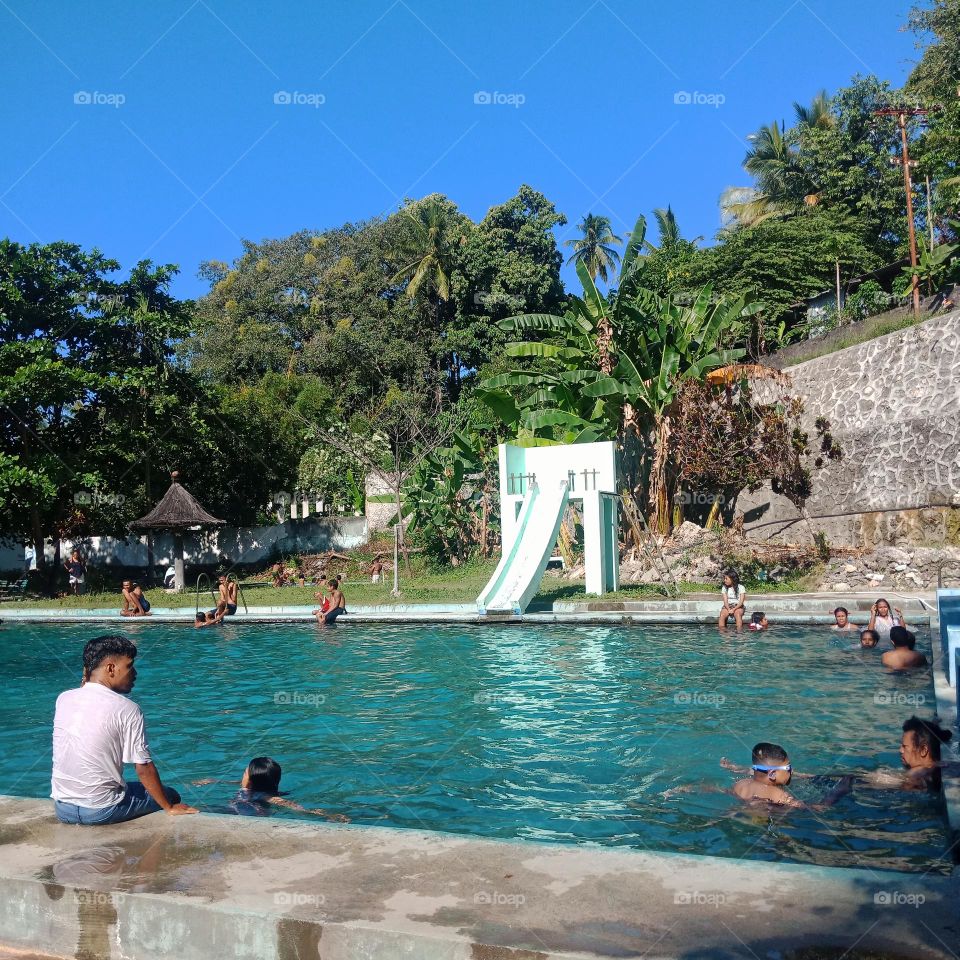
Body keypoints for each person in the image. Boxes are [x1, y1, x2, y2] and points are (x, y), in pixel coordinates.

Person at [51, 634, 196, 824]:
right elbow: (143, 767)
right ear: (111, 668)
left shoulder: (64, 698)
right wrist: (168, 807)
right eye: (129, 666)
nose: (135, 673)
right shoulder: (128, 709)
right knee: (170, 793)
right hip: (101, 810)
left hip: (63, 809)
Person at [193, 757, 348, 821]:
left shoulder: (264, 796)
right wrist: (212, 780)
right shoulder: (249, 786)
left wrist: (327, 814)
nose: (242, 774)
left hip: (246, 814)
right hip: (237, 809)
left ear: (251, 781)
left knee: (199, 811)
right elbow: (235, 783)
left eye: (245, 772)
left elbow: (292, 806)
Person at [730, 742, 851, 809]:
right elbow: (817, 808)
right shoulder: (779, 795)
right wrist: (839, 791)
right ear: (772, 774)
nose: (792, 771)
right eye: (788, 768)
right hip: (765, 823)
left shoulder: (740, 784)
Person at [860, 717, 955, 792]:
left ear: (924, 750)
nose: (900, 750)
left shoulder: (918, 773)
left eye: (904, 746)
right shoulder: (931, 766)